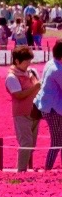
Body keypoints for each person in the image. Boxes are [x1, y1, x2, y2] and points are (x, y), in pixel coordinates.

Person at [7, 45, 43, 172]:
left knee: (32, 144)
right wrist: (36, 87)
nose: (29, 63)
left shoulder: (32, 72)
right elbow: (19, 95)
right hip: (22, 114)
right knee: (26, 143)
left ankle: (26, 169)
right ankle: (21, 171)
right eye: (26, 60)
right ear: (17, 61)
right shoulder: (11, 77)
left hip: (34, 112)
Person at [38, 41, 62, 171]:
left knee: (59, 141)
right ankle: (47, 169)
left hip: (49, 107)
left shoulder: (50, 63)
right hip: (54, 110)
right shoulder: (58, 70)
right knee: (57, 142)